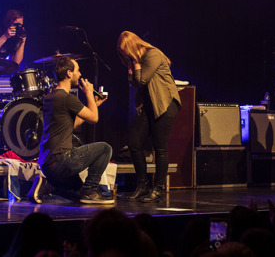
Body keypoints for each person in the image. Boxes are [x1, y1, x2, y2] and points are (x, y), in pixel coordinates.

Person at [28, 55, 113, 204]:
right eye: (77, 71)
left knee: (77, 192)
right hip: (61, 160)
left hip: (48, 163)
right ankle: (91, 190)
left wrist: (95, 104)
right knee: (105, 149)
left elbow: (71, 124)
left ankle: (47, 185)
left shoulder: (51, 96)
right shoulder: (67, 98)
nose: (80, 74)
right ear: (69, 73)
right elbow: (94, 118)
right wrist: (89, 94)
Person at [117, 31, 181, 203]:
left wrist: (135, 64)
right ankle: (142, 185)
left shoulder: (153, 54)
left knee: (159, 147)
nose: (125, 57)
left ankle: (158, 188)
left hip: (165, 103)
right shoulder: (138, 60)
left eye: (126, 53)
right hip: (149, 105)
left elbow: (142, 81)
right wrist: (132, 66)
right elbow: (133, 83)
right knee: (134, 143)